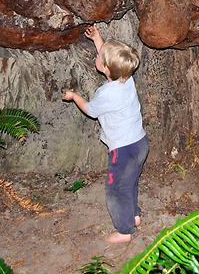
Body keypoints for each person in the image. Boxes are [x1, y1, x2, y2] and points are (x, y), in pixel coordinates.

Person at [62, 24, 149, 244]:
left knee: (115, 189)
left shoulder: (107, 93)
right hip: (139, 144)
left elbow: (90, 110)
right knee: (130, 183)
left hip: (122, 150)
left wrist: (74, 96)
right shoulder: (127, 78)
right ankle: (134, 215)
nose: (98, 56)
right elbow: (110, 59)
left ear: (106, 68)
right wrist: (97, 38)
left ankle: (124, 230)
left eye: (100, 56)